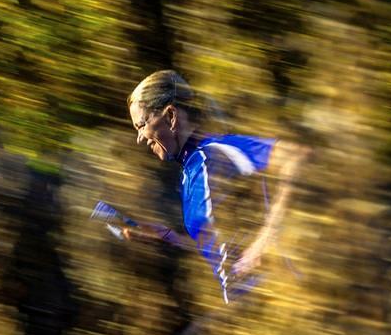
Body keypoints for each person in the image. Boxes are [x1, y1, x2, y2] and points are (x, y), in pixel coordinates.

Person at [122, 70, 307, 304]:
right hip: (248, 309)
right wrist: (168, 237)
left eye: (141, 125)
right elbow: (221, 250)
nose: (140, 137)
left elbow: (295, 157)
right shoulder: (188, 176)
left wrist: (267, 238)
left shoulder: (218, 151)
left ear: (170, 116)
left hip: (279, 296)